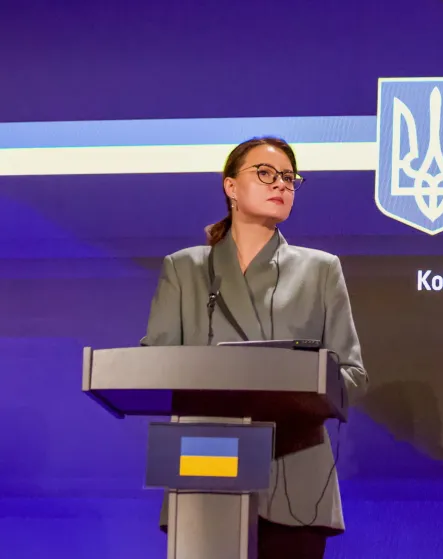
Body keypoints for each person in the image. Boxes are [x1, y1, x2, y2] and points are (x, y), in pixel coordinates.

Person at [140, 136, 368, 558]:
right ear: (230, 187)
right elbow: (158, 365)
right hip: (206, 466)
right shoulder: (185, 268)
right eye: (265, 173)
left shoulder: (320, 270)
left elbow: (352, 375)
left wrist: (299, 391)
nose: (280, 184)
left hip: (295, 472)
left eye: (288, 178)